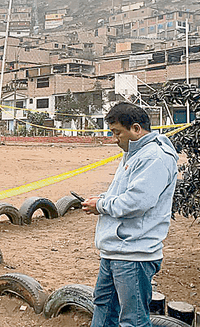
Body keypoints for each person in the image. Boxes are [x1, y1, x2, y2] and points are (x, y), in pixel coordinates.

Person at [82, 102, 178, 327]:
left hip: (134, 254)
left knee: (133, 320)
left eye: (117, 133)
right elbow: (123, 192)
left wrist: (102, 205)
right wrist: (102, 198)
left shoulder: (155, 157)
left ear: (136, 129)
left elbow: (136, 203)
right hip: (115, 249)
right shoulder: (134, 153)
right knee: (104, 306)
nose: (115, 139)